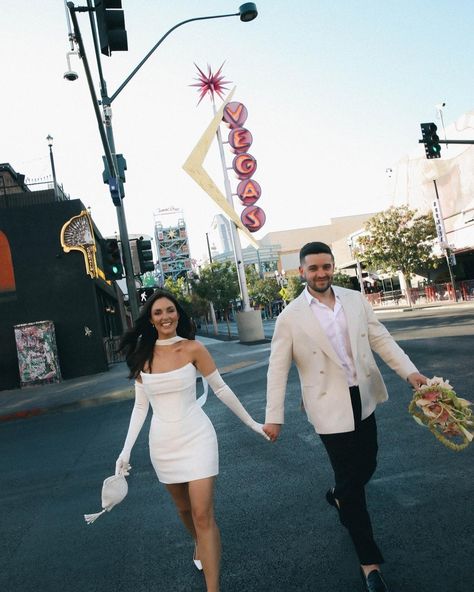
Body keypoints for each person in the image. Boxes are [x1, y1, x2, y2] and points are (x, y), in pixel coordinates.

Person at [263, 242, 427, 592]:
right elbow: (277, 371)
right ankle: (370, 564)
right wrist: (273, 417)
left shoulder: (354, 299)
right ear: (301, 272)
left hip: (363, 397)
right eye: (313, 268)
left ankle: (339, 493)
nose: (321, 273)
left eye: (326, 267)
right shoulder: (290, 317)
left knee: (366, 466)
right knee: (353, 486)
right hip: (327, 405)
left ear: (332, 267)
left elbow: (380, 339)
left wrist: (410, 373)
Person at [116, 289, 269, 592]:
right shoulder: (142, 356)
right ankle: (199, 543)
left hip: (197, 437)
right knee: (184, 510)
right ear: (150, 319)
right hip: (163, 444)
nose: (165, 317)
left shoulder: (193, 349)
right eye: (158, 312)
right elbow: (140, 407)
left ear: (178, 314)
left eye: (170, 310)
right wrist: (125, 451)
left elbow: (222, 389)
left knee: (202, 513)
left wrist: (253, 423)